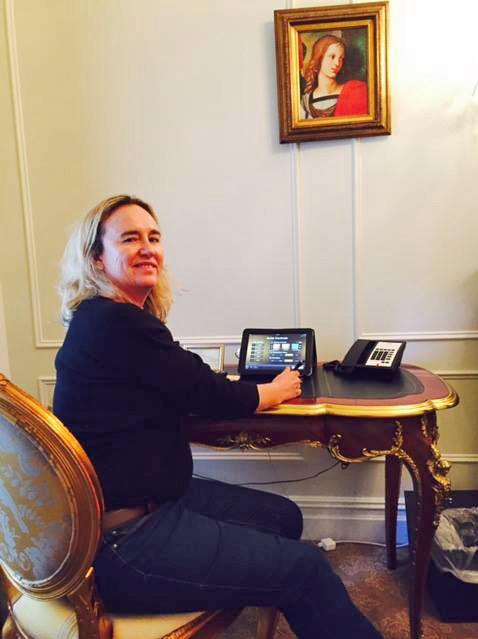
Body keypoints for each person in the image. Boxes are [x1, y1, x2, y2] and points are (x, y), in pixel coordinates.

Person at [53, 194, 382, 638]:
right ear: (96, 258)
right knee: (305, 569)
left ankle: (255, 590)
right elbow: (207, 392)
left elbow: (178, 381)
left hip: (139, 506)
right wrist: (273, 390)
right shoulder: (116, 322)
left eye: (154, 237)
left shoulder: (106, 320)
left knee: (282, 517)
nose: (147, 247)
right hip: (125, 541)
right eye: (130, 239)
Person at [301, 34, 368, 119]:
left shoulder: (353, 91)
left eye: (341, 59)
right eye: (332, 57)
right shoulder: (305, 102)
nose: (337, 63)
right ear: (319, 58)